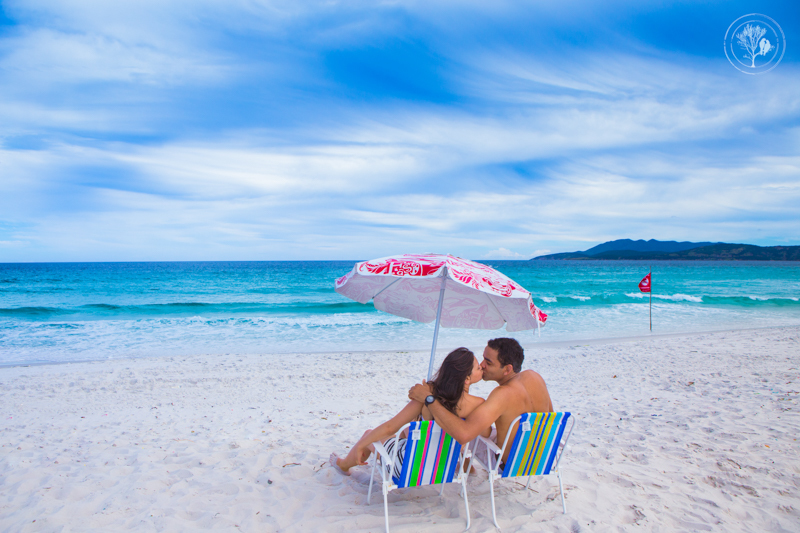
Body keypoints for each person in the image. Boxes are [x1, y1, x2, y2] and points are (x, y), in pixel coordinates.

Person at [330, 347, 489, 477]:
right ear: (466, 379)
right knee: (409, 432)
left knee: (369, 435)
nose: (481, 367)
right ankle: (468, 467)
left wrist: (362, 445)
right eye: (478, 367)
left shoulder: (427, 395)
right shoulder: (476, 404)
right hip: (443, 468)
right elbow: (485, 433)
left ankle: (343, 465)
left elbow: (390, 427)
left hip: (408, 469)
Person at [408, 338, 553, 470]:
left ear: (507, 369)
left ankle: (453, 466)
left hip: (512, 464)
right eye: (483, 359)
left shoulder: (502, 394)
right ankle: (467, 468)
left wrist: (429, 399)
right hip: (542, 457)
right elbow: (551, 417)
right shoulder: (535, 377)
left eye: (488, 362)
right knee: (481, 427)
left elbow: (464, 434)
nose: (482, 365)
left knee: (466, 426)